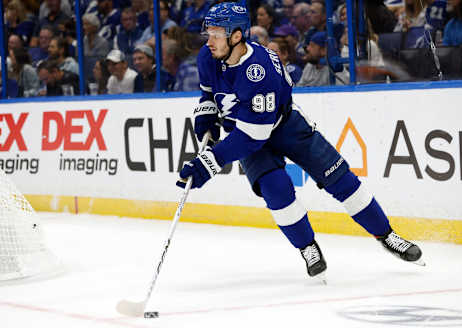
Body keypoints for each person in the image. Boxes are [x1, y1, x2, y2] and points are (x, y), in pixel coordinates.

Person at [176, 2, 424, 279]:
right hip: (245, 132)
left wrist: (209, 162)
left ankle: (386, 235)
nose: (209, 40)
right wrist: (206, 114)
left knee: (342, 180)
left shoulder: (259, 70)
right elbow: (209, 93)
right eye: (208, 32)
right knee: (276, 189)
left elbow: (253, 135)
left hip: (283, 126)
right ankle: (308, 247)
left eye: (216, 33)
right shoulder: (207, 56)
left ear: (236, 36)